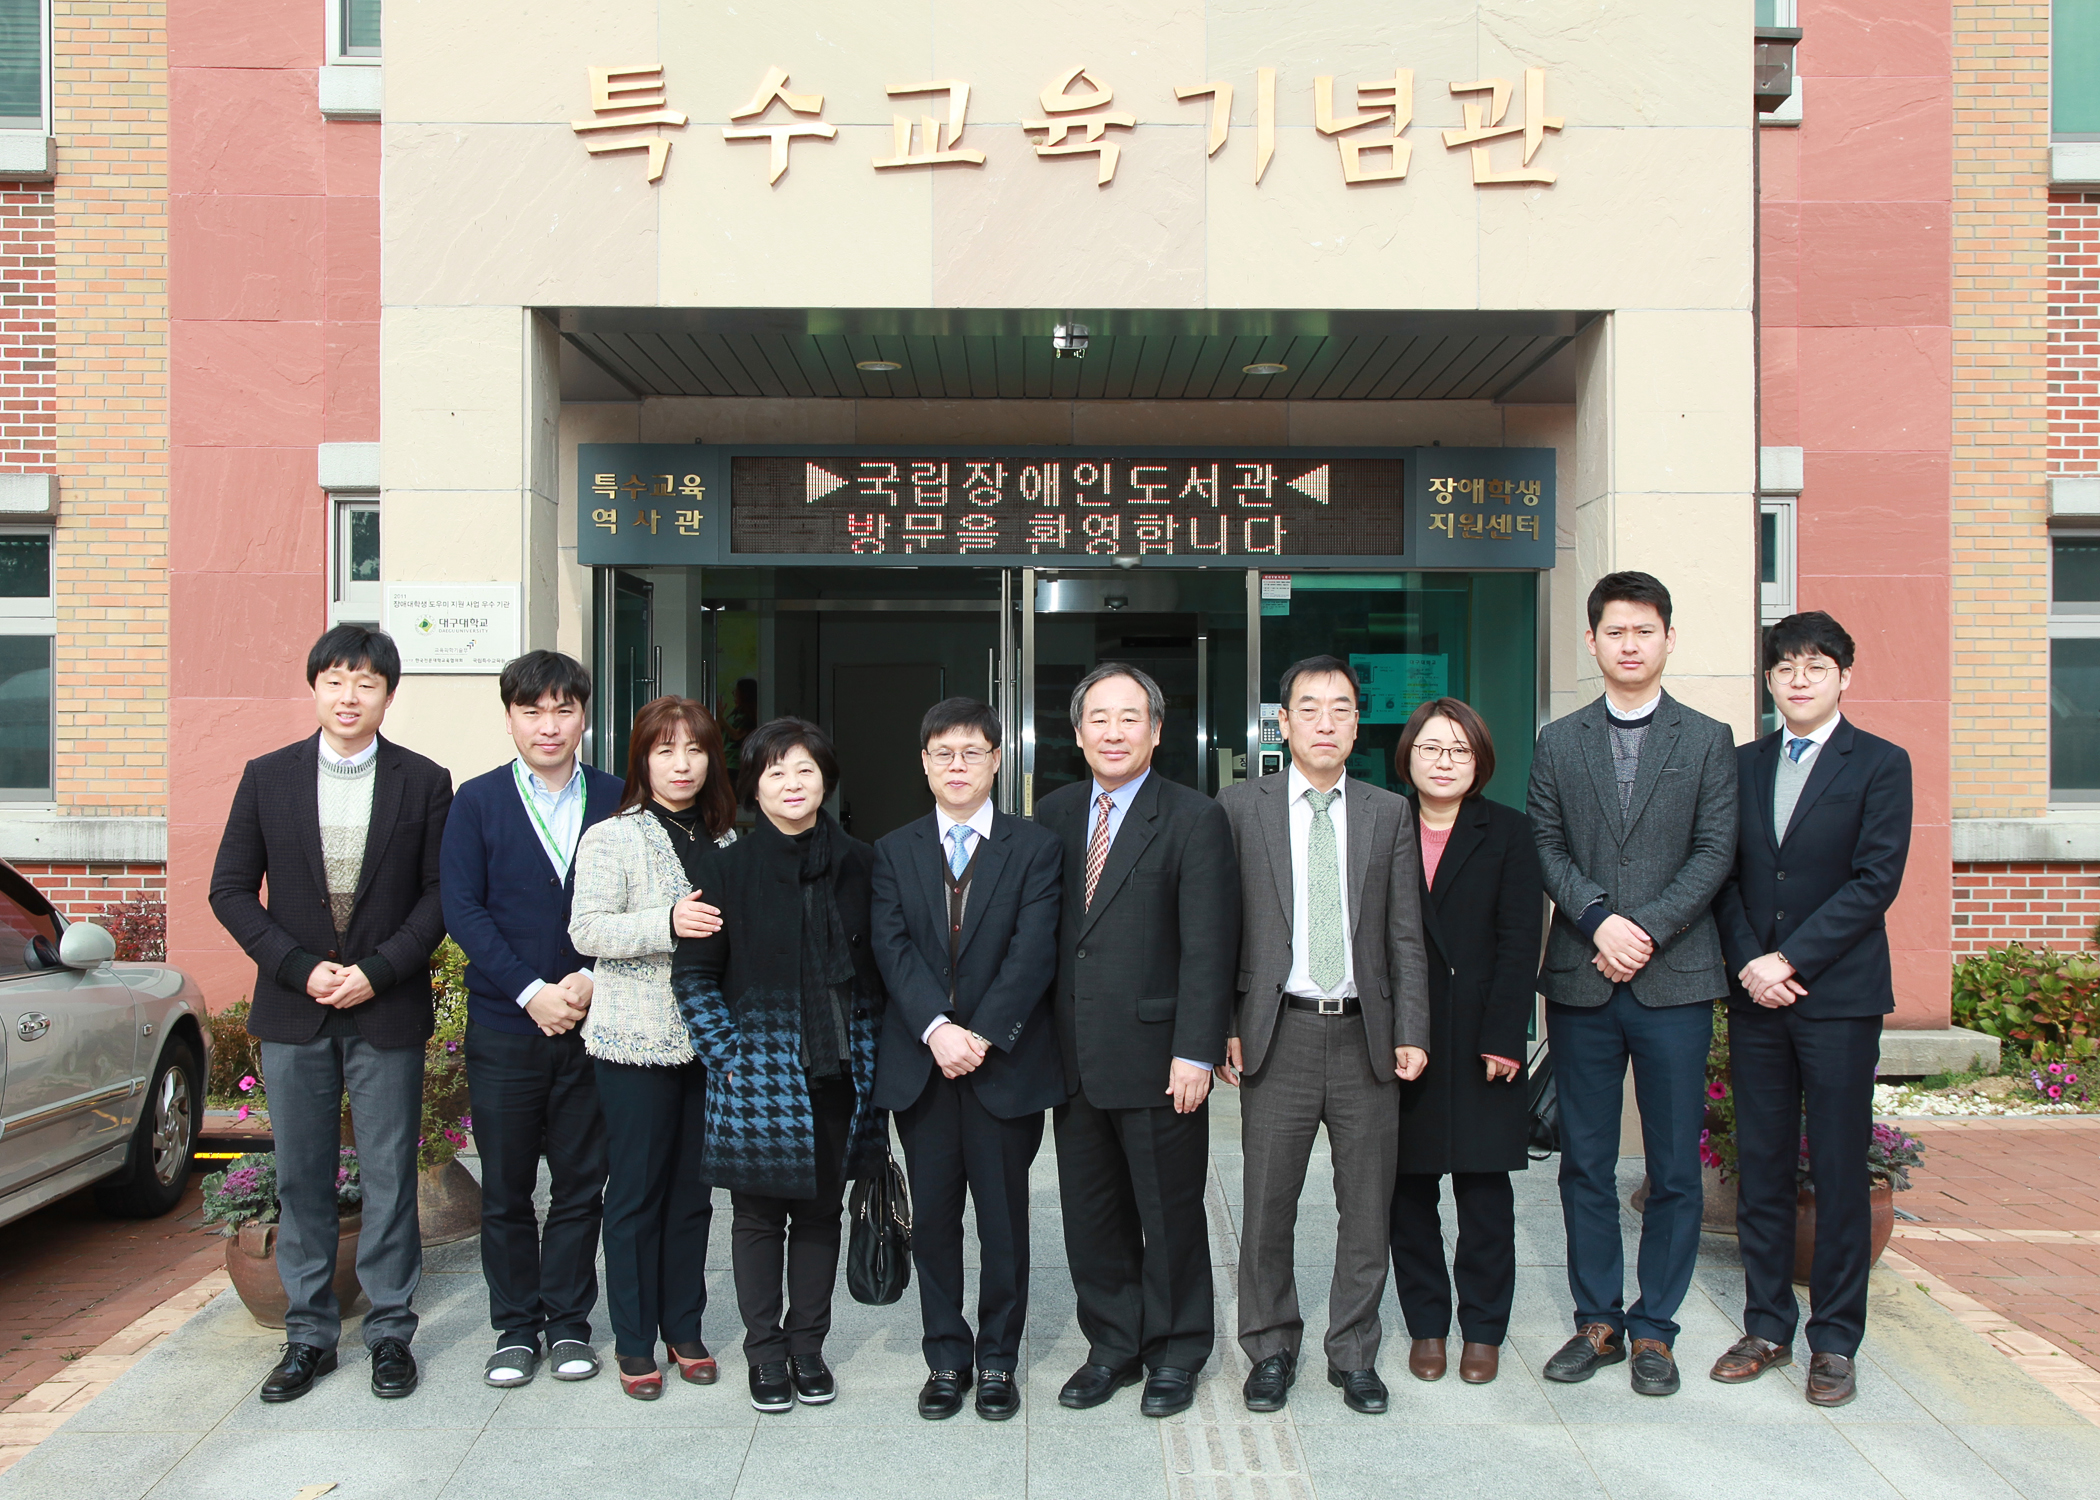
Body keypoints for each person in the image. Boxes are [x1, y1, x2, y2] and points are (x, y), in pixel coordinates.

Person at [208, 625, 452, 1403]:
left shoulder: (424, 781)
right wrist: (299, 967)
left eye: (366, 684)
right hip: (295, 1008)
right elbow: (230, 889)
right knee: (303, 1179)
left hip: (386, 1008)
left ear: (388, 694)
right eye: (336, 681)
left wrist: (377, 972)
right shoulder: (267, 777)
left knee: (389, 1175)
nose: (350, 697)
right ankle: (309, 1335)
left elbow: (440, 896)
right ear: (315, 687)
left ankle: (390, 1333)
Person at [1527, 571, 1739, 1398]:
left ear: (1668, 639)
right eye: (1614, 631)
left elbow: (1715, 851)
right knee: (1583, 1161)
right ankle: (1598, 1321)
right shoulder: (1559, 740)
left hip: (1675, 979)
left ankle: (1656, 1329)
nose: (1629, 644)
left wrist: (1642, 929)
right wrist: (1597, 919)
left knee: (1673, 1166)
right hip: (1582, 977)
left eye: (1644, 630)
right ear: (1591, 641)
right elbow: (1546, 843)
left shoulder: (1708, 739)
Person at [1216, 656, 1431, 1417]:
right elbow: (1219, 930)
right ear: (1283, 722)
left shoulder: (1387, 811)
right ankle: (1269, 1347)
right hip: (1279, 1033)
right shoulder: (1240, 807)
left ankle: (1354, 1352)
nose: (1326, 722)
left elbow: (1405, 933)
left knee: (1366, 1208)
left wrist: (1411, 1027)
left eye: (1341, 708)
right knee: (1267, 1206)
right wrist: (1225, 1027)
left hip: (1365, 1035)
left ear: (1356, 722)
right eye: (1309, 708)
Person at [1709, 612, 1911, 1408]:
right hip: (1756, 995)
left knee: (1836, 1168)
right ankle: (1766, 1325)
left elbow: (1876, 879)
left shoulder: (1881, 764)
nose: (1800, 679)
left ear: (1843, 677)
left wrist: (1788, 960)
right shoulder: (1742, 764)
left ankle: (1835, 1341)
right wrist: (1750, 963)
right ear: (1768, 679)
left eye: (1816, 666)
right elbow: (1723, 875)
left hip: (1838, 999)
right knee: (1760, 1165)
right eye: (1786, 667)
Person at [1035, 663, 1240, 1419]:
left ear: (1156, 730)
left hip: (1161, 1060)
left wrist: (1196, 1051)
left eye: (1130, 718)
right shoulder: (1053, 814)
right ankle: (1113, 1346)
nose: (1113, 732)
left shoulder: (1193, 817)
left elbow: (1209, 947)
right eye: (1099, 718)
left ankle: (1178, 1351)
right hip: (1074, 1057)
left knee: (1170, 1213)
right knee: (1092, 1217)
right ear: (1077, 732)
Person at [672, 718, 888, 1415]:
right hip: (757, 1073)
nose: (791, 784)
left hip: (840, 1068)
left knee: (822, 1214)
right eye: (775, 772)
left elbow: (881, 971)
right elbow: (694, 976)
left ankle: (808, 1348)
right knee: (759, 1217)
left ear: (826, 779)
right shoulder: (725, 868)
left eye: (804, 770)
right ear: (754, 786)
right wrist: (729, 1057)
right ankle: (764, 1353)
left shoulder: (862, 862)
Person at [870, 697, 1064, 1423]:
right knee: (935, 1221)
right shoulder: (893, 849)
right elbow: (891, 948)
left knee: (1004, 1222)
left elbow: (1033, 951)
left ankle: (999, 1360)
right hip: (924, 1067)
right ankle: (946, 1358)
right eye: (943, 753)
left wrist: (978, 1034)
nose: (958, 766)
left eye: (972, 753)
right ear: (924, 763)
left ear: (996, 761)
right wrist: (936, 1030)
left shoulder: (1035, 847)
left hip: (1003, 1065)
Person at [440, 652, 624, 1390]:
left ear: (584, 716)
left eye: (563, 710)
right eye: (532, 711)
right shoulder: (477, 801)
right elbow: (463, 909)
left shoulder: (618, 797)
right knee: (508, 1188)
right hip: (505, 1028)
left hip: (593, 1024)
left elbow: (638, 899)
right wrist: (529, 991)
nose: (549, 726)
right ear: (511, 718)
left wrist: (587, 979)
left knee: (581, 1185)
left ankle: (570, 1323)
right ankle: (516, 1328)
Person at [570, 695, 735, 1399]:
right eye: (665, 750)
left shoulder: (728, 839)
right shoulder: (613, 837)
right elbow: (587, 930)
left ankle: (684, 1327)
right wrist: (666, 921)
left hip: (709, 1044)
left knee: (693, 1196)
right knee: (636, 1193)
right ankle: (635, 1339)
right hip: (635, 1040)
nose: (681, 764)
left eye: (694, 749)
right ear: (642, 759)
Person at [1388, 697, 1544, 1388]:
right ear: (1408, 757)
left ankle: (1483, 1329)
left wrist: (1506, 1035)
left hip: (1483, 1036)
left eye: (1459, 749)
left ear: (1479, 760)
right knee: (1408, 1192)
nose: (1444, 762)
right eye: (1431, 748)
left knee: (1484, 1195)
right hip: (1406, 1036)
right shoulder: (1384, 822)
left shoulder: (1508, 831)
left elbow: (1520, 939)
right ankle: (1427, 1325)